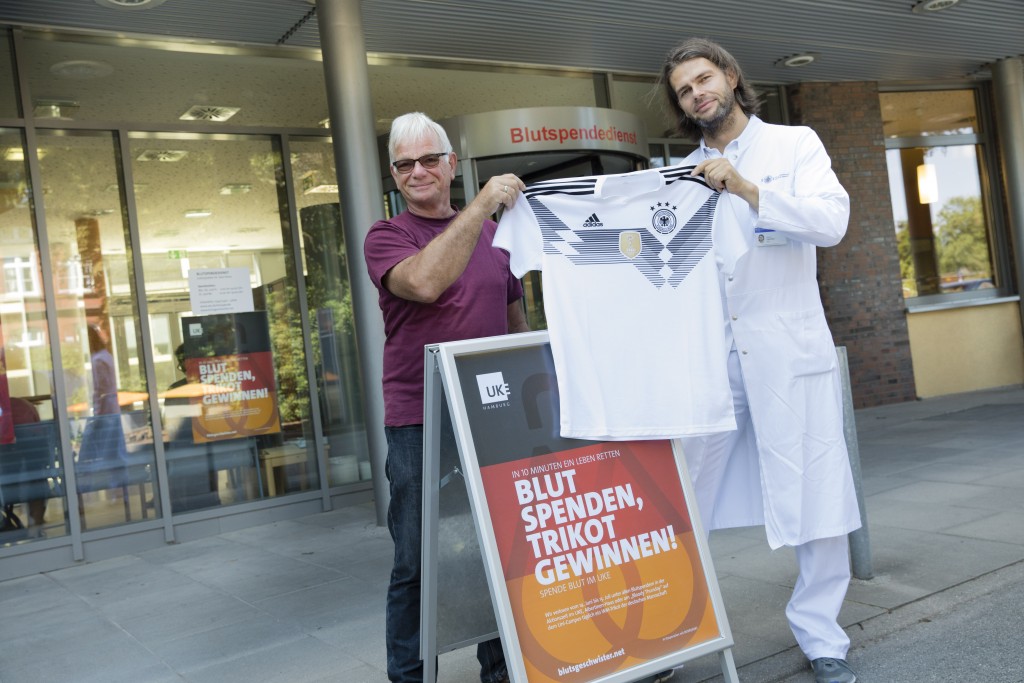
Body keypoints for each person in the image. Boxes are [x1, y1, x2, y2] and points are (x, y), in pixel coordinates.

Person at [655, 38, 862, 683]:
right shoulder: (677, 175)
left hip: (785, 348)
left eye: (704, 79)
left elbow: (832, 222)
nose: (698, 95)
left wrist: (748, 190)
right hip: (713, 360)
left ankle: (823, 636)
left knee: (817, 491)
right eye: (686, 90)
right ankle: (669, 635)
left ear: (731, 77)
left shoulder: (795, 145)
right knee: (681, 500)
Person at [363, 112, 529, 683]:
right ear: (393, 173)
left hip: (491, 414)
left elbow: (514, 317)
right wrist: (482, 206)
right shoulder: (387, 236)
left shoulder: (494, 235)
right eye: (405, 163)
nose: (418, 172)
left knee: (498, 549)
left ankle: (503, 670)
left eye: (429, 158)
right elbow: (426, 283)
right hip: (420, 421)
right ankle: (408, 676)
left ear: (450, 163)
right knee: (417, 558)